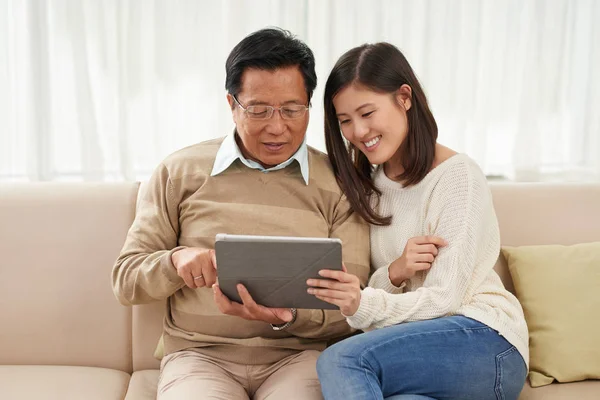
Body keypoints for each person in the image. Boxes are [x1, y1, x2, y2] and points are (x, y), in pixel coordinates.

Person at [111, 28, 370, 400]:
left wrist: (289, 316)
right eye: (259, 110)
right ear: (232, 104)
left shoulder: (341, 184)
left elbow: (354, 303)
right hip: (199, 357)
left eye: (292, 109)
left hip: (298, 357)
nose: (277, 126)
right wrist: (176, 261)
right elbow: (125, 279)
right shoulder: (179, 171)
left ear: (310, 106)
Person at [307, 42, 529, 400]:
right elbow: (382, 283)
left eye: (367, 113)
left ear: (404, 97)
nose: (359, 131)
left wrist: (362, 304)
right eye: (345, 121)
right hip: (424, 351)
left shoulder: (457, 177)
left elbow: (445, 299)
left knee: (342, 361)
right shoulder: (371, 188)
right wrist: (395, 272)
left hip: (487, 341)